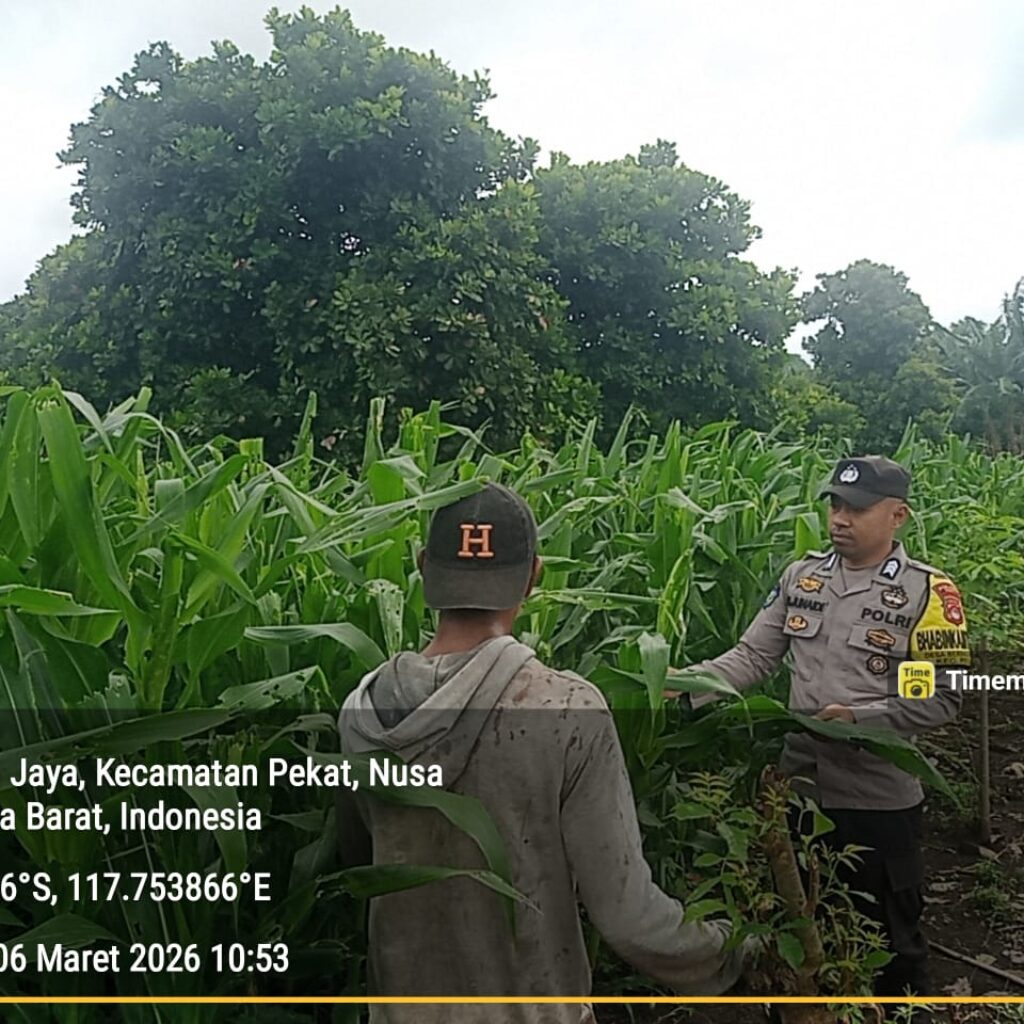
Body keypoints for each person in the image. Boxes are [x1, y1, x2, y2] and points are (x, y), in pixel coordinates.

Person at [337, 482, 750, 1024]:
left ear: (422, 565)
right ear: (535, 574)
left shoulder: (360, 710)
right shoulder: (567, 708)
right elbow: (630, 919)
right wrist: (738, 950)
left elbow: (360, 866)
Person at [674, 456, 970, 997]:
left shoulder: (930, 594)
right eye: (835, 504)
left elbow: (942, 697)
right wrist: (679, 685)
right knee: (798, 934)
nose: (839, 518)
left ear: (898, 515)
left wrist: (860, 720)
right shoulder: (802, 577)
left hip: (877, 803)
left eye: (857, 508)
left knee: (890, 946)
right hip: (799, 793)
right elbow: (751, 657)